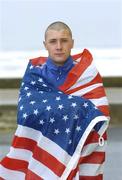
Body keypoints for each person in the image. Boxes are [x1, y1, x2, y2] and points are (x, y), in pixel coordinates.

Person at [0, 21, 110, 180]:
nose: (59, 46)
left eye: (64, 40)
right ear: (45, 45)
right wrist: (78, 108)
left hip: (77, 149)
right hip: (41, 152)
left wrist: (67, 109)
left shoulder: (87, 75)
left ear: (72, 43)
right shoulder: (34, 75)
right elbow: (25, 113)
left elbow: (101, 115)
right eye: (53, 41)